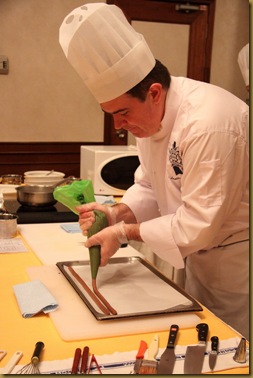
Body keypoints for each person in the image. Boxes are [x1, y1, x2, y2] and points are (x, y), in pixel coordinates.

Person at [59, 3, 249, 339]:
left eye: (122, 112)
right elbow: (148, 187)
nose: (119, 126)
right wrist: (116, 213)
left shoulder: (209, 123)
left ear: (155, 93)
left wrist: (124, 233)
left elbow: (198, 223)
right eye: (111, 115)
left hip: (234, 264)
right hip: (196, 257)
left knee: (228, 348)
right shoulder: (148, 120)